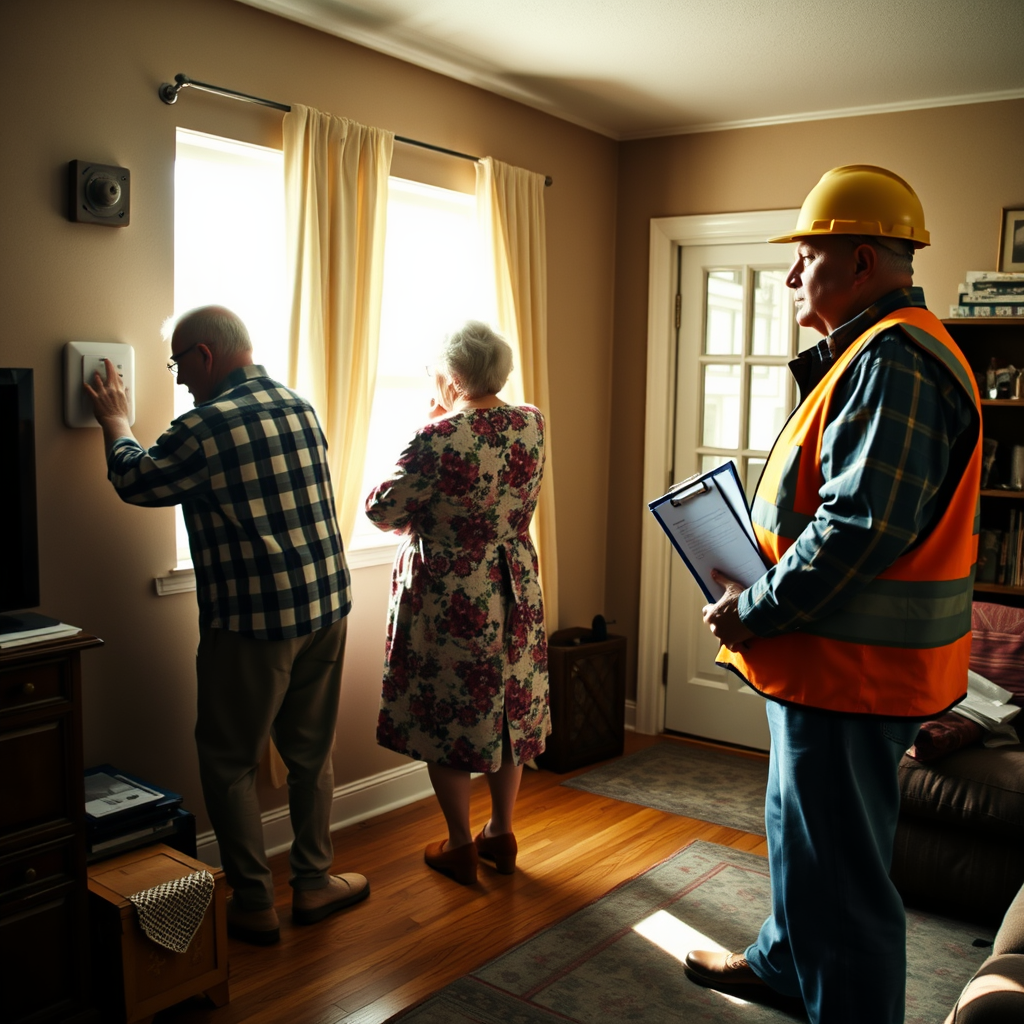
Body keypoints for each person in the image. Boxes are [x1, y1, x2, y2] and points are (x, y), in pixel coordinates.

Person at [684, 166, 982, 1023]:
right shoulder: (870, 351)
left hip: (854, 674)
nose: (786, 278)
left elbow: (858, 528)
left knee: (843, 880)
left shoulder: (897, 360)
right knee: (798, 843)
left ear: (858, 261)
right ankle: (783, 968)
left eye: (802, 257)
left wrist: (754, 607)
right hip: (822, 664)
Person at [84, 305, 369, 945]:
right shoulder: (300, 406)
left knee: (229, 760)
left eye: (180, 364)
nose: (181, 380)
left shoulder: (205, 427)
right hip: (326, 606)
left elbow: (135, 479)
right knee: (310, 754)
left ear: (206, 356)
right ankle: (315, 883)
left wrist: (115, 421)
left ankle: (253, 902)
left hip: (253, 622)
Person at [365, 321, 549, 885]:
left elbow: (381, 510)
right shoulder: (532, 422)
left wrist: (433, 425)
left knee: (448, 715)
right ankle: (501, 831)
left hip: (452, 594)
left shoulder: (438, 437)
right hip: (515, 583)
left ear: (452, 376)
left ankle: (461, 844)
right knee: (506, 709)